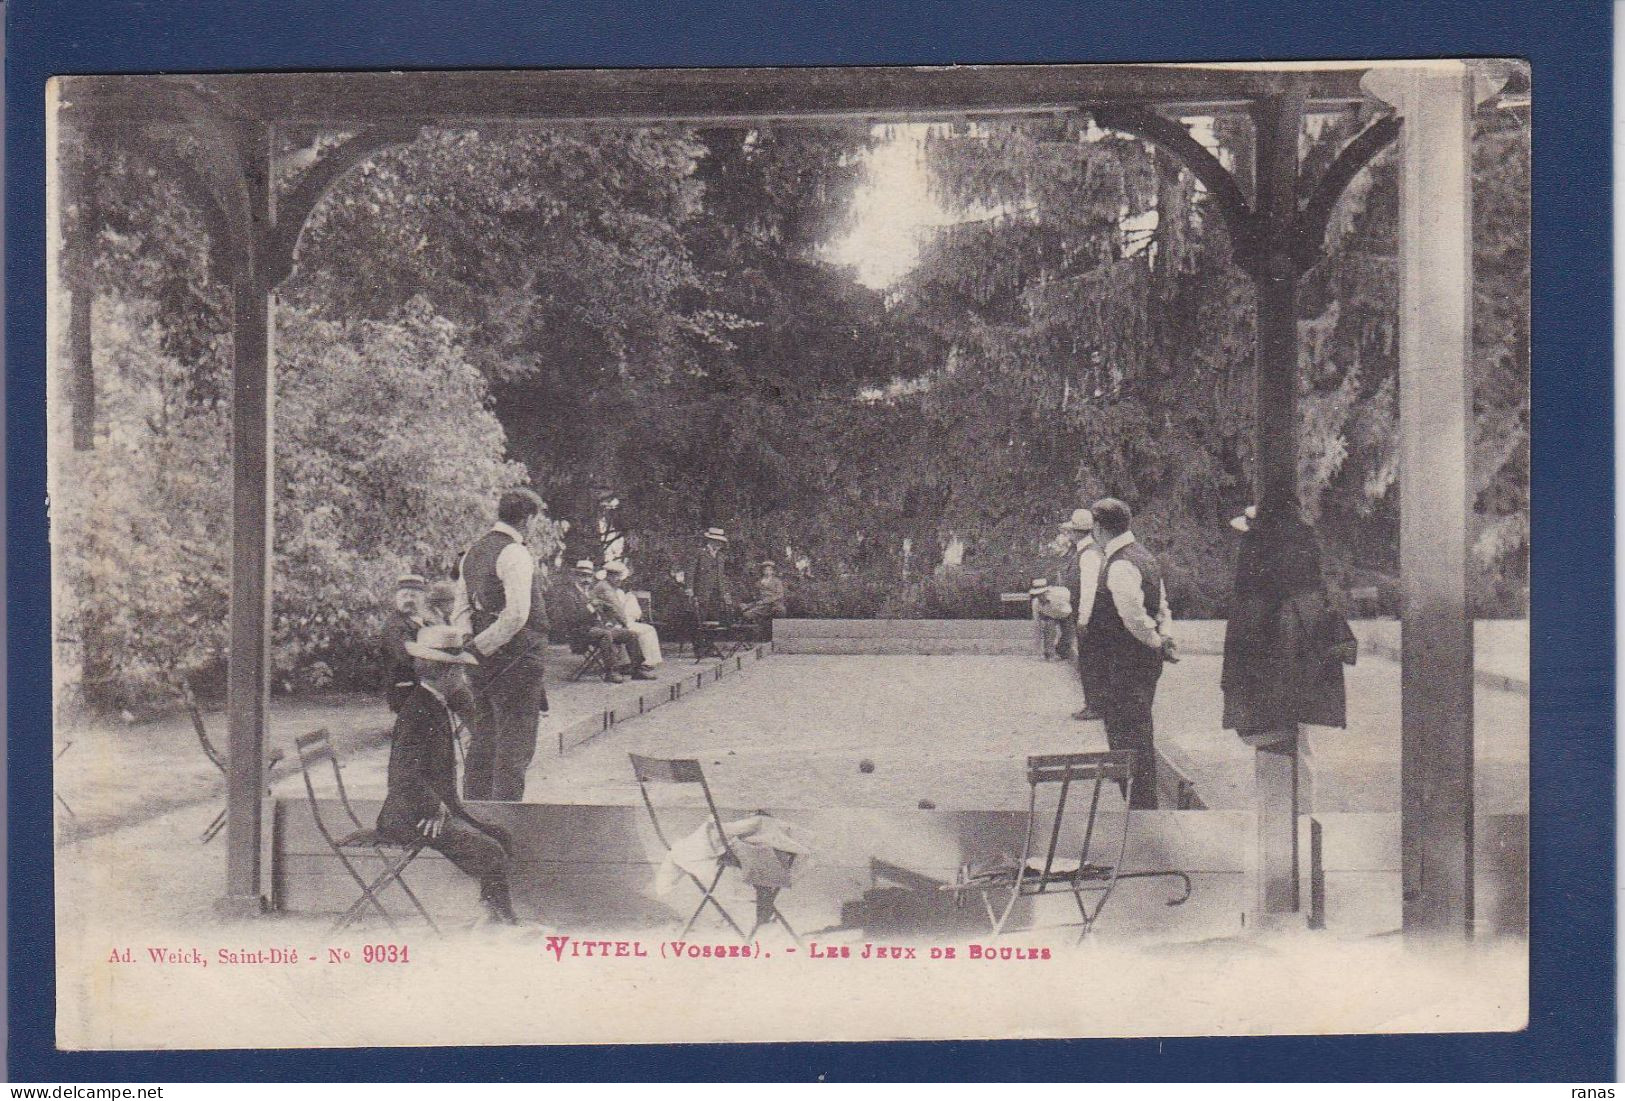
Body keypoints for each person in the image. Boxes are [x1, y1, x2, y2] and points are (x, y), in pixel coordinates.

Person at [377, 624, 519, 925]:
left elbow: (473, 716)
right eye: (460, 671)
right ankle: (504, 922)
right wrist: (431, 807)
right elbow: (401, 774)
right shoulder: (417, 710)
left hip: (432, 810)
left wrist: (440, 807)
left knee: (500, 837)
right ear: (447, 673)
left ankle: (492, 912)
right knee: (490, 850)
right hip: (411, 816)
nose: (464, 678)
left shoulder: (434, 701)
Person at [1220, 489, 1351, 808]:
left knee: (1276, 746)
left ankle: (1288, 815)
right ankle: (1299, 813)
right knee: (1295, 745)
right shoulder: (1308, 595)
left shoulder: (1260, 600)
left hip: (1273, 682)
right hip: (1295, 677)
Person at [453, 487, 550, 802]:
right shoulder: (515, 552)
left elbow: (460, 610)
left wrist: (470, 647)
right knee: (514, 748)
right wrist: (482, 648)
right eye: (536, 519)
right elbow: (517, 616)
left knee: (483, 741)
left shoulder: (472, 552)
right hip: (517, 663)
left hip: (481, 665)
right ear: (527, 518)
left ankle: (474, 816)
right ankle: (505, 825)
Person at [1086, 498, 1176, 808]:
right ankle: (1141, 803)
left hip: (1124, 662)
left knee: (1127, 736)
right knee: (1138, 730)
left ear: (1099, 528)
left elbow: (1133, 616)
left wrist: (1155, 641)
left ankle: (1141, 809)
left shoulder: (1121, 563)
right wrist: (1164, 636)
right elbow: (1161, 605)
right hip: (1139, 662)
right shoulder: (1144, 557)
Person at [548, 560, 649, 683]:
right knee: (605, 634)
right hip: (580, 631)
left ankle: (636, 669)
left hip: (596, 628)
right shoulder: (569, 594)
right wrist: (592, 608)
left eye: (589, 576)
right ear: (575, 576)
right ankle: (611, 672)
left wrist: (605, 612)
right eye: (582, 575)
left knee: (630, 634)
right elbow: (572, 618)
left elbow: (601, 610)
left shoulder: (589, 593)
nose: (586, 579)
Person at [1061, 508, 1105, 721]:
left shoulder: (1088, 554)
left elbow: (1089, 589)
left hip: (1090, 616)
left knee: (1090, 659)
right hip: (1085, 613)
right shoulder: (1085, 551)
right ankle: (1094, 702)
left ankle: (1095, 704)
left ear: (1077, 532)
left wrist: (1083, 619)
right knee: (1088, 658)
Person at [601, 561, 663, 671]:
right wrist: (624, 622)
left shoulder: (616, 590)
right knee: (638, 631)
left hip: (618, 621)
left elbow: (619, 609)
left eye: (618, 576)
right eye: (614, 576)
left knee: (648, 629)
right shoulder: (605, 589)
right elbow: (613, 610)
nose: (618, 579)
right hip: (609, 623)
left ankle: (646, 661)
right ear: (608, 576)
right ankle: (629, 663)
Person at [381, 573, 428, 713]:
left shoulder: (425, 621)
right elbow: (406, 656)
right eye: (404, 596)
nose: (409, 600)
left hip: (426, 685)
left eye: (414, 596)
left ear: (423, 598)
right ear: (396, 599)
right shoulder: (394, 625)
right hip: (405, 687)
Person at [688, 527, 734, 657]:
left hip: (716, 594)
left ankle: (709, 647)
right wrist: (689, 589)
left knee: (713, 620)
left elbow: (722, 576)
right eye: (716, 541)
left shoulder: (720, 556)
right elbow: (690, 572)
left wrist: (725, 593)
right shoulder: (699, 553)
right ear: (710, 540)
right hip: (701, 592)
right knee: (699, 620)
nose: (719, 544)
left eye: (720, 542)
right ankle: (699, 649)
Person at [1029, 577, 1074, 660]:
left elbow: (1072, 603)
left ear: (1047, 591)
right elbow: (1037, 627)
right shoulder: (1036, 603)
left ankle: (1062, 652)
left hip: (1066, 613)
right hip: (1050, 615)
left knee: (1068, 635)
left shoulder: (1061, 594)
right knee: (1049, 630)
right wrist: (1038, 651)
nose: (1040, 596)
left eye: (1042, 593)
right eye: (1038, 594)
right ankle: (1049, 653)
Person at [739, 561, 787, 633]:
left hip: (774, 603)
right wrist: (749, 605)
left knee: (780, 611)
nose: (768, 572)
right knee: (747, 614)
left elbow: (779, 595)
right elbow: (757, 597)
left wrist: (766, 601)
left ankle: (777, 631)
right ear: (762, 571)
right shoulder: (758, 582)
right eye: (765, 570)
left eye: (770, 570)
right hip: (762, 606)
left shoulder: (777, 581)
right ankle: (761, 630)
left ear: (773, 571)